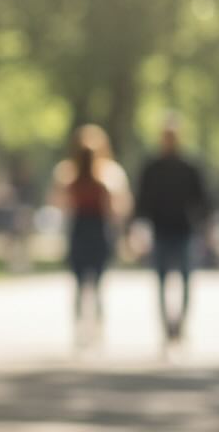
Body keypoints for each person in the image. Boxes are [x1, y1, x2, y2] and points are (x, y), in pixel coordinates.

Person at [50, 124, 132, 349]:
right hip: (94, 230)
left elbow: (58, 204)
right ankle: (95, 330)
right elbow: (119, 208)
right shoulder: (104, 175)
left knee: (81, 284)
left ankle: (82, 330)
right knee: (96, 284)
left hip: (83, 229)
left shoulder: (71, 174)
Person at [134, 118, 209, 347]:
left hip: (184, 230)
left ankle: (181, 324)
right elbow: (142, 201)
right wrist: (138, 229)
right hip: (160, 231)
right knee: (161, 281)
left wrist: (205, 227)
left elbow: (202, 200)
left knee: (186, 280)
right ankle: (167, 327)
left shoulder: (189, 167)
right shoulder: (152, 167)